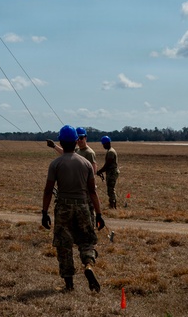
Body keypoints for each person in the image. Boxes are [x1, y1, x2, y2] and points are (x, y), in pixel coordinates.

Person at [41, 125, 105, 293]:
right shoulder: (85, 163)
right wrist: (99, 214)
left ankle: (69, 284)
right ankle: (89, 265)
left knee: (64, 245)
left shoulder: (55, 163)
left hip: (63, 207)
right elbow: (93, 191)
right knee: (86, 241)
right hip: (83, 206)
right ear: (76, 140)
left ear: (61, 141)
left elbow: (48, 190)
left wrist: (44, 212)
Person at [96, 136, 120, 209]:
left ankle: (113, 205)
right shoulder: (110, 151)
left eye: (103, 144)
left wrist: (100, 171)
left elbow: (108, 164)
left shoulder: (111, 152)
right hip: (110, 172)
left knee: (110, 189)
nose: (103, 146)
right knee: (110, 188)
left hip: (112, 172)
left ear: (107, 143)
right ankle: (112, 203)